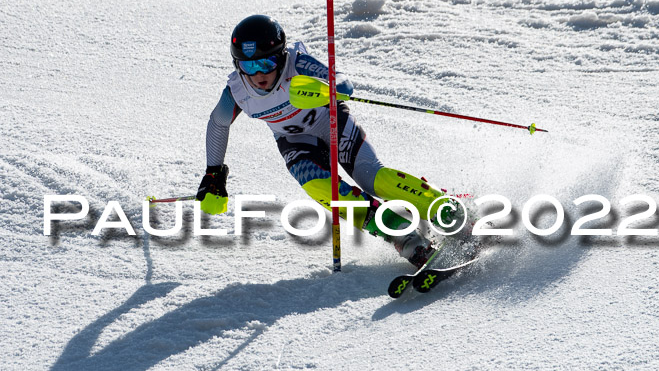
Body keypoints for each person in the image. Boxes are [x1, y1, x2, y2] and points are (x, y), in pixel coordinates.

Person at [196, 14, 464, 267]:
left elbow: (344, 85)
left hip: (331, 122)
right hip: (295, 141)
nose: (258, 75)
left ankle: (449, 211)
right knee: (324, 189)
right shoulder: (237, 91)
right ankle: (404, 237)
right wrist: (214, 173)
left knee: (374, 179)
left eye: (266, 63)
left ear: (280, 56)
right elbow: (218, 123)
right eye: (248, 65)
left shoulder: (297, 63)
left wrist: (328, 89)